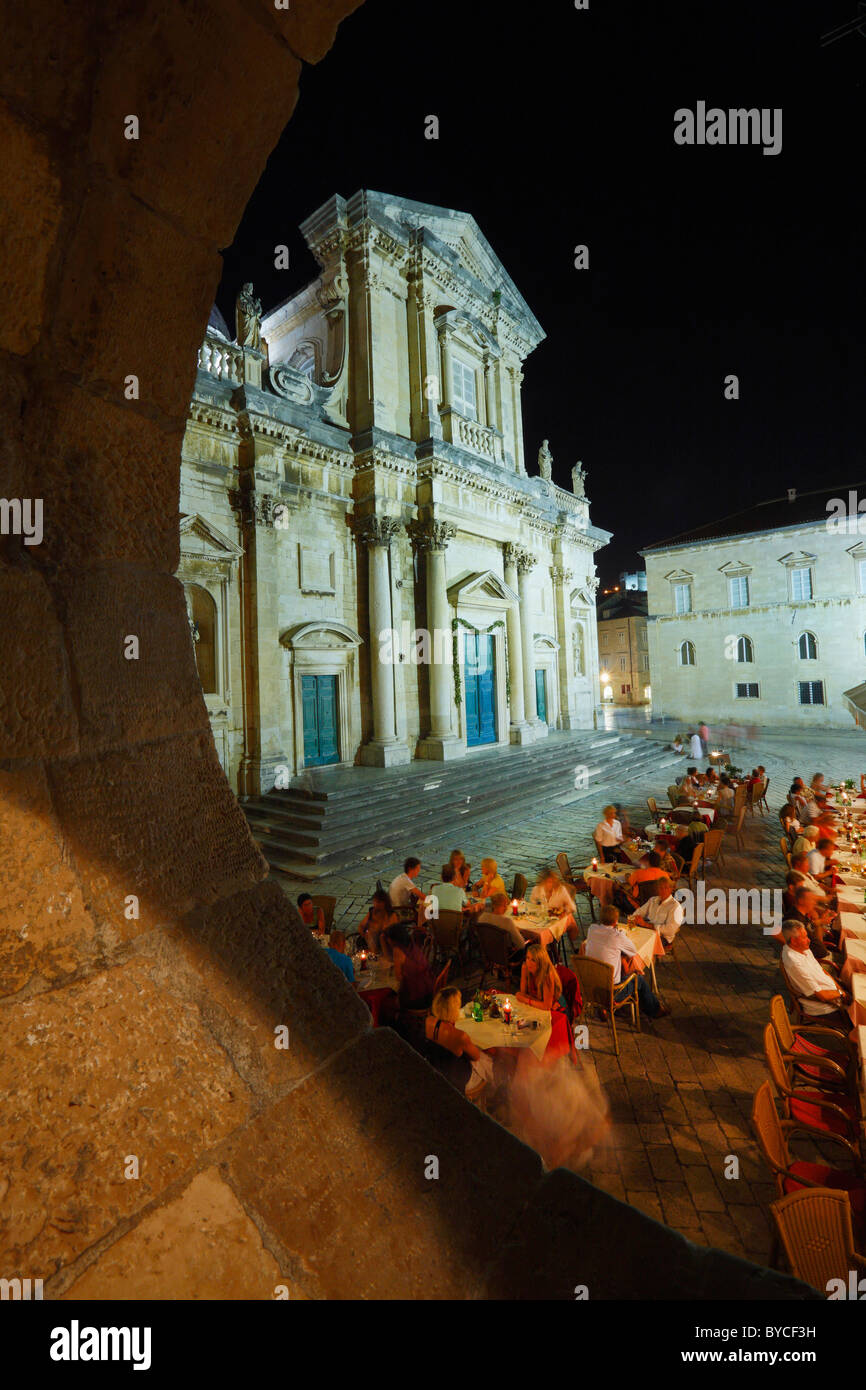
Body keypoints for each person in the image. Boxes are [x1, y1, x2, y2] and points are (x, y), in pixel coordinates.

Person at [584, 905, 670, 1019]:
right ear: (616, 921)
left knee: (619, 969)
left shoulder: (592, 929)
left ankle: (603, 1007)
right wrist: (621, 935)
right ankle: (655, 1010)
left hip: (590, 988)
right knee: (638, 978)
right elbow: (633, 951)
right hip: (611, 992)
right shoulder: (617, 936)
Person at [779, 921, 851, 1028]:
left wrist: (839, 988)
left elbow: (823, 971)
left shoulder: (803, 948)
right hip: (825, 1008)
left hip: (835, 996)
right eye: (804, 937)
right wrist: (842, 994)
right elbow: (821, 996)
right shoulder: (794, 962)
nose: (808, 940)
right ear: (793, 941)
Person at [425, 987, 495, 1093]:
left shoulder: (429, 1021)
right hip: (456, 1080)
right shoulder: (460, 1036)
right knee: (486, 1060)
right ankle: (498, 1087)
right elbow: (476, 1056)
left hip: (436, 1068)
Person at [516, 942, 575, 1061]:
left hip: (557, 1010)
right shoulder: (525, 968)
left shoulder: (547, 975)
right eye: (527, 958)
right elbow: (522, 993)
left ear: (540, 962)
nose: (528, 962)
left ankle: (542, 1058)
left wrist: (527, 999)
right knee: (518, 1024)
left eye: (533, 960)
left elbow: (546, 1006)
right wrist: (527, 999)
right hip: (538, 1004)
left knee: (535, 1030)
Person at [388, 923, 435, 1012]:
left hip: (416, 998)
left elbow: (398, 977)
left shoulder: (397, 950)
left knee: (388, 1000)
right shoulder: (412, 943)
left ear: (392, 939)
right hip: (428, 991)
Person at [628, 876, 685, 947]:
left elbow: (670, 930)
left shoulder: (675, 907)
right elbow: (640, 911)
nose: (663, 890)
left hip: (662, 937)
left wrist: (647, 925)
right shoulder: (653, 900)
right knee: (628, 939)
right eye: (660, 888)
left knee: (638, 944)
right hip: (647, 930)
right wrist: (635, 918)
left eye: (666, 888)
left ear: (671, 889)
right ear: (657, 889)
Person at [358, 889, 398, 955]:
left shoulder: (391, 915)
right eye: (375, 902)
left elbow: (395, 935)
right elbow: (361, 926)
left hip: (387, 947)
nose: (376, 904)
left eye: (379, 902)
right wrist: (365, 934)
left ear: (385, 903)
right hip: (372, 946)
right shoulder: (372, 913)